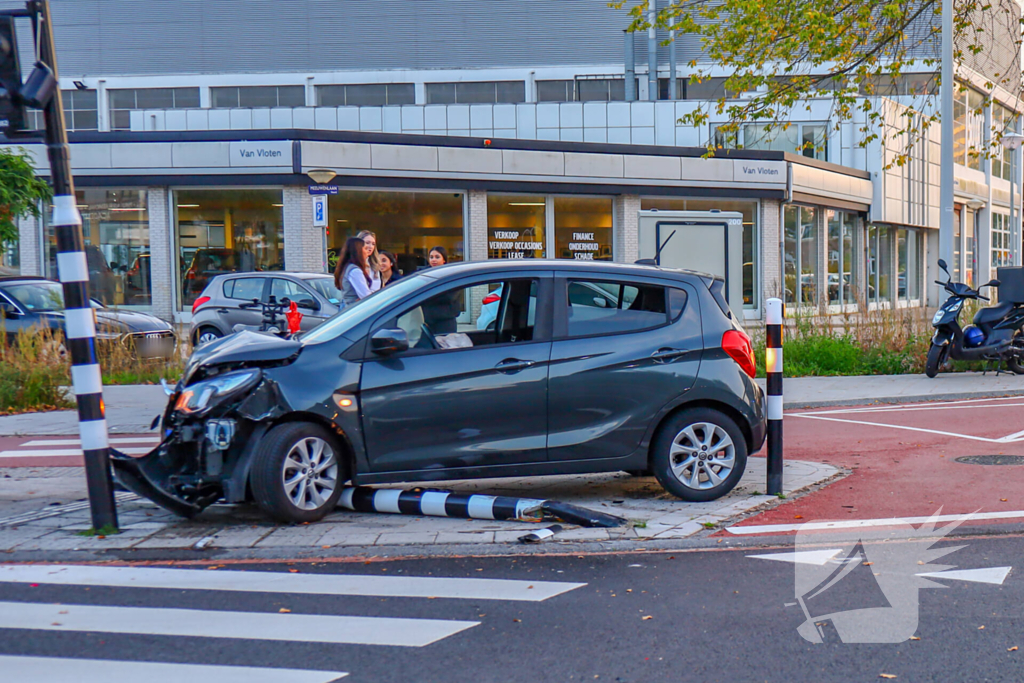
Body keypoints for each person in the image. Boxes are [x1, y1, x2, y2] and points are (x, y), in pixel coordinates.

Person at [422, 245, 459, 334]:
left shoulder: (451, 276)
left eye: (437, 257)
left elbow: (449, 297)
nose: (433, 260)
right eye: (431, 257)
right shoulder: (424, 276)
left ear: (444, 260)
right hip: (427, 322)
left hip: (445, 322)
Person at [333, 237, 375, 307]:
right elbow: (366, 295)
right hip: (357, 309)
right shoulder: (355, 271)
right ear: (358, 251)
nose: (367, 251)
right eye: (365, 248)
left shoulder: (346, 267)